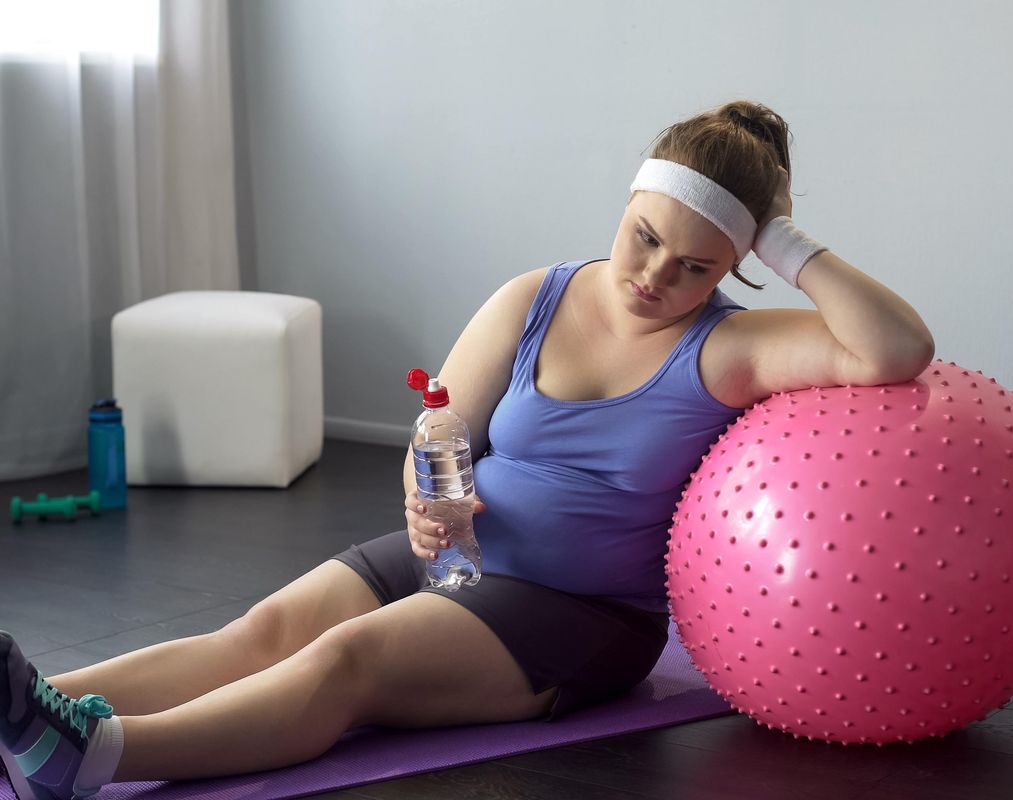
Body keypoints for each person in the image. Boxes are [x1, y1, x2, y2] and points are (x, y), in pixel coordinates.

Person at [0, 100, 934, 798]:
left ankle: (91, 759)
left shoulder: (731, 347)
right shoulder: (536, 295)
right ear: (629, 202)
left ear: (736, 261)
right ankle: (23, 707)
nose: (656, 276)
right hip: (450, 555)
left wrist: (780, 233)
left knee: (346, 661)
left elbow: (895, 350)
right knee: (260, 635)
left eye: (696, 264)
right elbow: (442, 422)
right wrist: (426, 489)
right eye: (645, 237)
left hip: (578, 612)